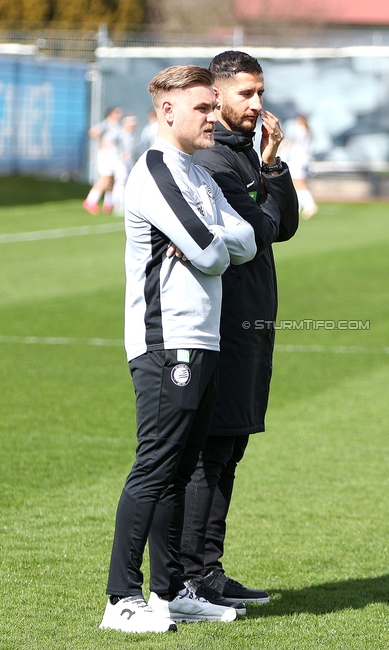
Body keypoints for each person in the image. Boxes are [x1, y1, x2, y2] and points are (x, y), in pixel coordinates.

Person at [99, 64, 257, 635]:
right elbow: (215, 254)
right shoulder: (156, 170)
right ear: (168, 112)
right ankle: (121, 599)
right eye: (203, 108)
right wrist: (213, 243)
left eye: (215, 106)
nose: (215, 117)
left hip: (203, 337)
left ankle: (169, 593)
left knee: (182, 467)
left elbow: (243, 236)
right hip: (167, 343)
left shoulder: (195, 172)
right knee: (155, 468)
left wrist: (212, 242)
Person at [182, 50, 300, 608]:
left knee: (230, 447)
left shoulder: (247, 156)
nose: (257, 105)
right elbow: (263, 228)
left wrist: (273, 165)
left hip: (253, 322)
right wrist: (264, 184)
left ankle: (209, 570)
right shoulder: (215, 163)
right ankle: (190, 575)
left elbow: (287, 224)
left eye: (260, 93)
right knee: (211, 450)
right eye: (245, 94)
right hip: (224, 324)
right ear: (219, 94)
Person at [84, 106, 123, 215]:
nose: (119, 115)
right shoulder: (107, 124)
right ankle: (90, 201)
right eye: (117, 113)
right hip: (106, 155)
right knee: (104, 178)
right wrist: (101, 142)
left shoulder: (116, 126)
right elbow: (93, 131)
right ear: (111, 114)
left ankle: (108, 203)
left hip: (113, 155)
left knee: (111, 179)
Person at [279, 114, 318, 218]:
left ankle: (310, 205)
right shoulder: (309, 131)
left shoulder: (300, 130)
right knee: (295, 183)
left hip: (298, 160)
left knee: (299, 183)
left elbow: (290, 142)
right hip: (304, 159)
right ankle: (298, 206)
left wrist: (283, 148)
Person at [111, 113, 138, 216]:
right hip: (119, 162)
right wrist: (119, 154)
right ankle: (117, 205)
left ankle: (123, 204)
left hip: (128, 162)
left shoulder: (132, 135)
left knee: (126, 182)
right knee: (120, 182)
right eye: (131, 122)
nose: (134, 124)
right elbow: (110, 142)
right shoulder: (119, 133)